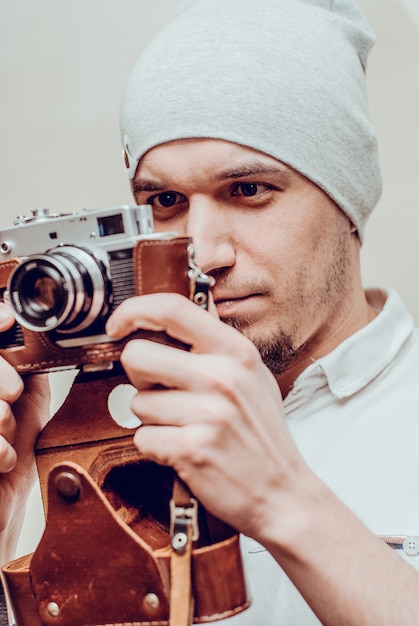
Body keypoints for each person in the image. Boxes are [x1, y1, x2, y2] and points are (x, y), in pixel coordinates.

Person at [1, 0, 419, 624]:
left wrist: (284, 502)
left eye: (248, 190)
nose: (204, 252)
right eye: (165, 200)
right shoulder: (105, 425)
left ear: (346, 201)